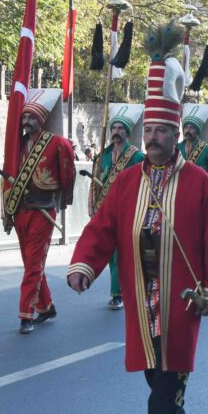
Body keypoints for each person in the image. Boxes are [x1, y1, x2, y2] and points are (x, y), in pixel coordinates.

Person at [66, 28, 208, 414]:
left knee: (170, 360)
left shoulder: (197, 181)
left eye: (163, 130)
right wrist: (85, 265)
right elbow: (102, 227)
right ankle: (174, 413)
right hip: (140, 288)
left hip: (181, 289)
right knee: (150, 361)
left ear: (177, 134)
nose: (154, 137)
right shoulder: (126, 180)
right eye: (151, 129)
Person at [3, 88, 76, 334]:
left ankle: (26, 314)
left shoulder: (57, 143)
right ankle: (46, 307)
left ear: (41, 119)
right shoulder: (18, 146)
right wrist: (7, 211)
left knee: (33, 264)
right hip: (21, 210)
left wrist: (63, 201)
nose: (26, 122)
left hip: (43, 211)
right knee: (31, 263)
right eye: (24, 118)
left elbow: (68, 173)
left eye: (31, 117)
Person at [90, 104, 145, 310]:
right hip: (107, 212)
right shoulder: (101, 157)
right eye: (114, 128)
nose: (116, 132)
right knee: (111, 253)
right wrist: (94, 209)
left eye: (121, 129)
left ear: (127, 132)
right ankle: (119, 290)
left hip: (128, 212)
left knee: (121, 254)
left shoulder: (137, 157)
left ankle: (118, 293)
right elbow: (94, 185)